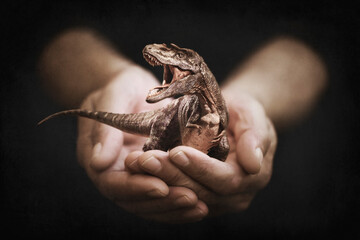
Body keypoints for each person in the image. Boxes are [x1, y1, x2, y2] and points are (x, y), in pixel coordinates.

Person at [37, 28, 327, 223]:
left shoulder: (217, 114)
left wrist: (256, 96)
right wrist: (107, 78)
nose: (161, 54)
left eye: (175, 57)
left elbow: (318, 40)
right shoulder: (184, 102)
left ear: (196, 71)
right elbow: (45, 31)